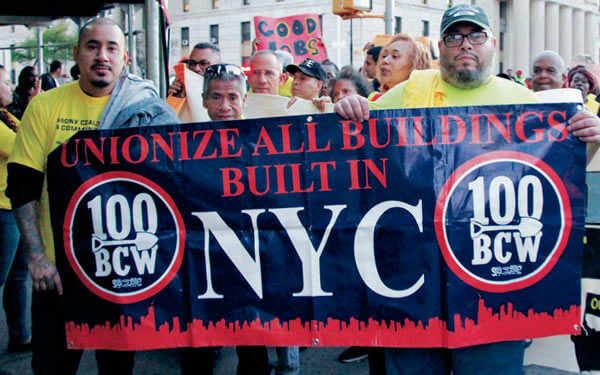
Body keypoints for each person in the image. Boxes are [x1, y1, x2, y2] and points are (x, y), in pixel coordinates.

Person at [335, 5, 600, 374]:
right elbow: (353, 138)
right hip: (416, 292)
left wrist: (589, 141)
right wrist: (347, 107)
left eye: (475, 35)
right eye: (454, 37)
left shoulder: (519, 100)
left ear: (492, 44)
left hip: (492, 295)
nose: (465, 45)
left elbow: (556, 179)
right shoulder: (410, 91)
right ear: (440, 47)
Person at [6, 18, 178, 375]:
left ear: (125, 58)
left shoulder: (147, 111)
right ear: (76, 54)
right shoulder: (45, 106)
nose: (102, 55)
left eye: (112, 48)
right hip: (56, 274)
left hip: (119, 273)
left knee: (117, 369)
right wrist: (36, 256)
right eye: (92, 46)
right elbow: (22, 185)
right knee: (52, 367)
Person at [200, 63, 273, 374]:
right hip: (202, 255)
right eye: (216, 97)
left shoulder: (262, 141)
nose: (224, 107)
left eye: (232, 97)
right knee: (199, 342)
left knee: (251, 342)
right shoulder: (182, 141)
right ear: (204, 100)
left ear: (245, 100)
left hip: (249, 255)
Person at [531, 53, 600, 375]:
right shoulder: (515, 111)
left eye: (551, 70)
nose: (544, 76)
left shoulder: (587, 118)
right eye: (538, 70)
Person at [0, 65, 31, 354]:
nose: (11, 85)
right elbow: (25, 146)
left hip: (13, 207)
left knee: (18, 277)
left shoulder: (7, 116)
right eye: (5, 80)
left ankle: (20, 337)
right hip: (2, 211)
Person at [370, 33, 431, 101]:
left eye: (395, 56)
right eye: (384, 56)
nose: (384, 60)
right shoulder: (374, 100)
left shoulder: (427, 103)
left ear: (416, 65)